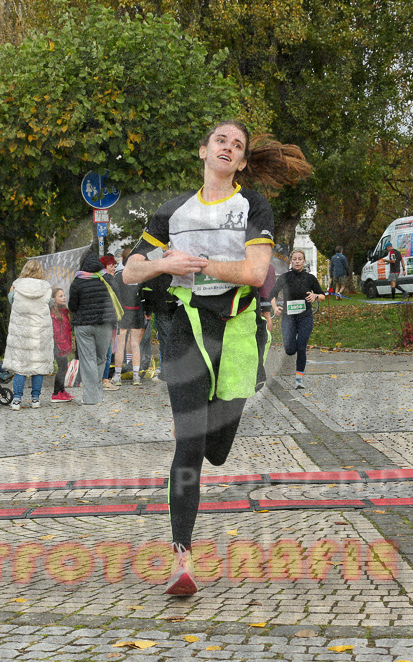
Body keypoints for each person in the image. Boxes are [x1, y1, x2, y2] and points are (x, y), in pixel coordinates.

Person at [123, 119, 311, 595]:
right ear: (204, 151)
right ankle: (181, 560)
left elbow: (254, 271)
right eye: (221, 141)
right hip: (185, 327)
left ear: (243, 162)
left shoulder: (253, 207)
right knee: (189, 442)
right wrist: (165, 263)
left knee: (217, 450)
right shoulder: (172, 211)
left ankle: (213, 435)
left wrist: (201, 264)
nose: (228, 148)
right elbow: (130, 272)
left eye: (237, 145)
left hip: (237, 329)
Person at [69, 251, 120, 405]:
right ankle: (96, 394)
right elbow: (117, 296)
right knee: (101, 358)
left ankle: (92, 397)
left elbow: (72, 305)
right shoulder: (107, 278)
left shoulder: (78, 280)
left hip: (83, 326)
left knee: (88, 359)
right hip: (104, 324)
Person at [270, 249, 326, 389]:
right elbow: (273, 294)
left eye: (299, 259)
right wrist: (275, 307)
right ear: (291, 261)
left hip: (305, 316)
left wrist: (315, 296)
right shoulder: (284, 277)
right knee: (290, 350)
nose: (297, 261)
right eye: (294, 259)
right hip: (288, 317)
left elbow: (323, 295)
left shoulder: (310, 278)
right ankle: (291, 347)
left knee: (301, 346)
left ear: (304, 261)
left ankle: (299, 380)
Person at [5, 260, 55, 409]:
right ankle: (35, 399)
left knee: (20, 367)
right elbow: (50, 304)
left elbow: (11, 300)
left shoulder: (16, 285)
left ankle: (17, 400)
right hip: (40, 332)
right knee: (37, 366)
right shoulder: (46, 287)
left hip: (21, 332)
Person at [113, 249, 147, 386]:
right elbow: (145, 296)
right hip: (137, 311)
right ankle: (136, 377)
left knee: (120, 345)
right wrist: (147, 311)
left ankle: (117, 377)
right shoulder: (141, 276)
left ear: (122, 259)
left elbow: (115, 295)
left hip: (122, 313)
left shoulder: (118, 275)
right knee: (135, 345)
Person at [98, 254, 121, 391]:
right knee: (106, 352)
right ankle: (104, 379)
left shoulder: (97, 279)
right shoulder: (109, 280)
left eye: (114, 265)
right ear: (105, 266)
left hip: (101, 319)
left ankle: (99, 379)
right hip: (108, 319)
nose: (114, 268)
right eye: (111, 265)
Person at [50, 288, 75, 403]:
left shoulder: (63, 312)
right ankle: (56, 393)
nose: (64, 298)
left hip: (63, 344)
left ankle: (62, 390)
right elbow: (57, 333)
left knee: (64, 367)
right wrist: (64, 346)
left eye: (64, 295)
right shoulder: (54, 314)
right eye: (60, 296)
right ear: (53, 299)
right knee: (62, 368)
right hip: (58, 345)